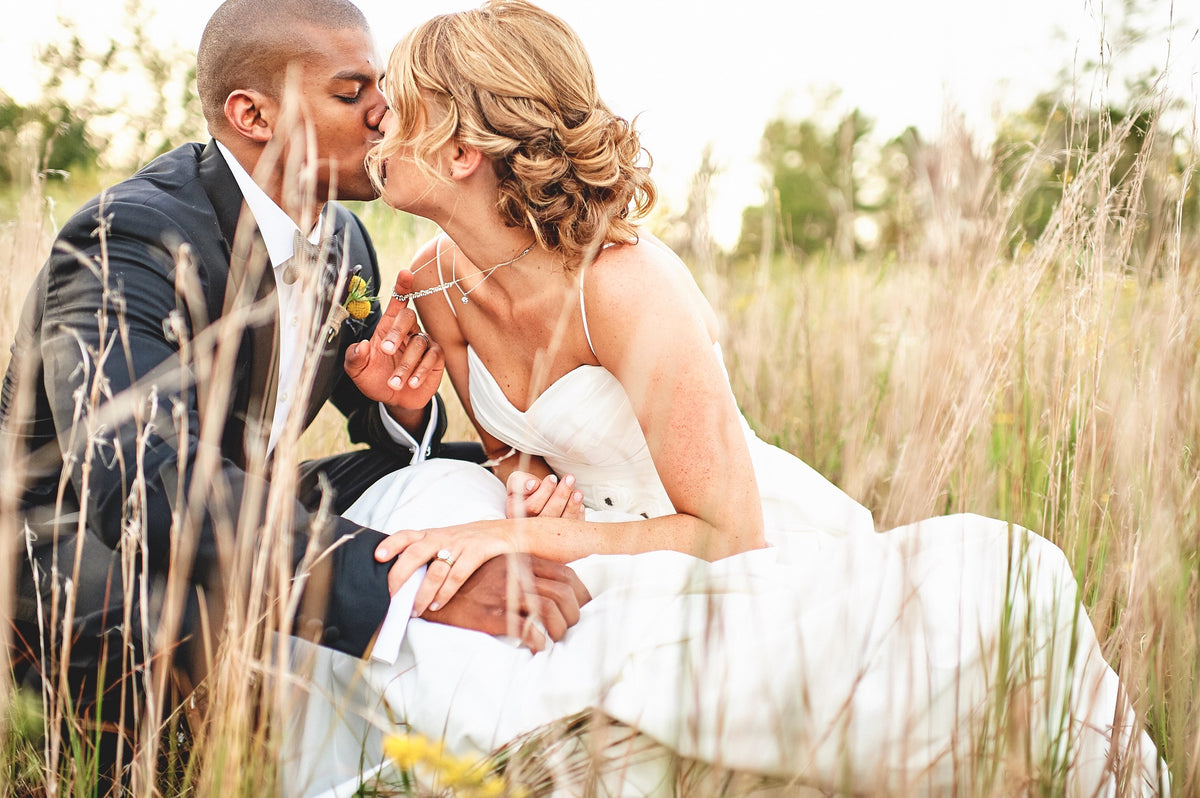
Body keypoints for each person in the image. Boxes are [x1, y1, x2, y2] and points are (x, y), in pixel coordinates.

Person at [283, 2, 1171, 796]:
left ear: (463, 151)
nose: (375, 121)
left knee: (988, 589)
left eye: (396, 106)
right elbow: (515, 452)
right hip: (589, 544)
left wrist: (515, 531)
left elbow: (725, 531)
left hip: (718, 538)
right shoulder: (434, 283)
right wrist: (514, 479)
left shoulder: (626, 286)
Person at [0, 0, 588, 785]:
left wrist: (402, 408)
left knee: (466, 485)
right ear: (252, 113)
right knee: (213, 632)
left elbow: (370, 417)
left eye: (381, 87)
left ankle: (519, 708)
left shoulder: (344, 240)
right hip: (66, 545)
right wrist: (404, 589)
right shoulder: (128, 240)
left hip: (230, 497)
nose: (387, 113)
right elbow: (140, 477)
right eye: (352, 95)